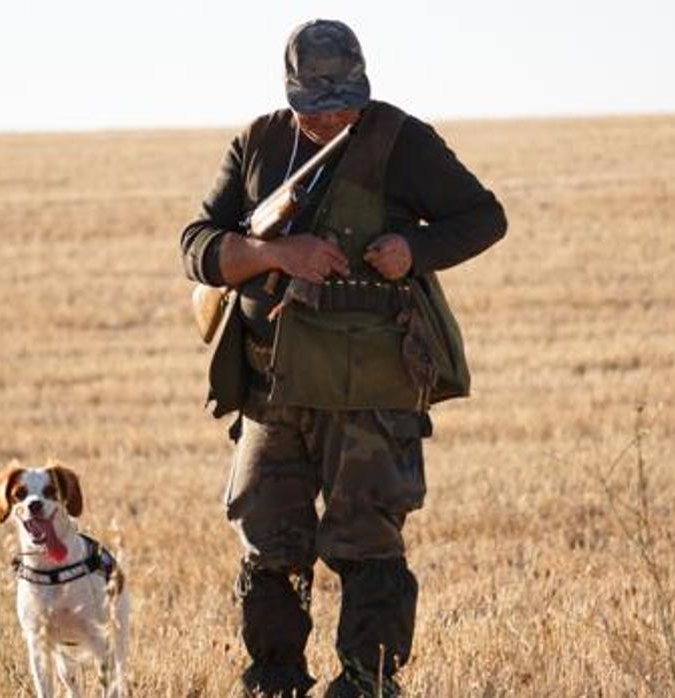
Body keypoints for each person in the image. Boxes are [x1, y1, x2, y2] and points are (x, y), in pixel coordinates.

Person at [179, 19, 507, 698]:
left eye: (344, 99)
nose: (332, 114)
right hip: (273, 387)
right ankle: (274, 682)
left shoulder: (401, 140)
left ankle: (367, 683)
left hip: (370, 391)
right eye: (316, 103)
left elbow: (483, 217)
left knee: (367, 546)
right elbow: (197, 244)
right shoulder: (260, 141)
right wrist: (274, 254)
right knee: (269, 549)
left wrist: (413, 250)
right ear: (291, 94)